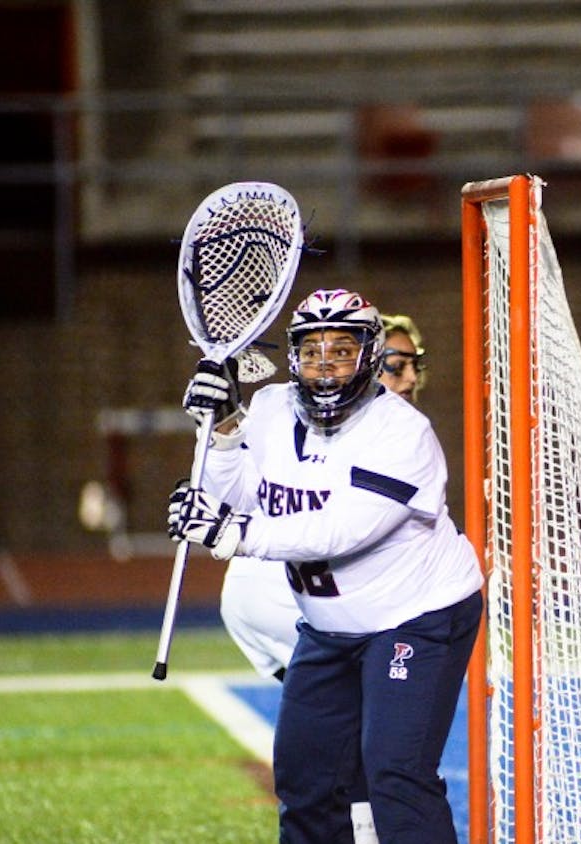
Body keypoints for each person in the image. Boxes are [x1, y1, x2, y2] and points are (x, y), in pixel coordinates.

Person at [169, 290, 482, 844]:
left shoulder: (402, 432)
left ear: (369, 354)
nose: (325, 366)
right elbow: (240, 495)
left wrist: (233, 533)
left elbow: (342, 531)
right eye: (312, 352)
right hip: (329, 627)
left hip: (415, 616)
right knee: (305, 779)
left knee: (396, 775)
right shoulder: (270, 408)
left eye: (341, 350)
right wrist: (220, 432)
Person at [211, 313, 429, 843]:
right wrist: (221, 430)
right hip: (285, 592)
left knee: (344, 742)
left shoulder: (388, 429)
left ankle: (349, 822)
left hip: (296, 588)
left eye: (413, 366)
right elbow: (330, 530)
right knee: (360, 739)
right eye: (394, 364)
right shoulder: (322, 422)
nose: (405, 378)